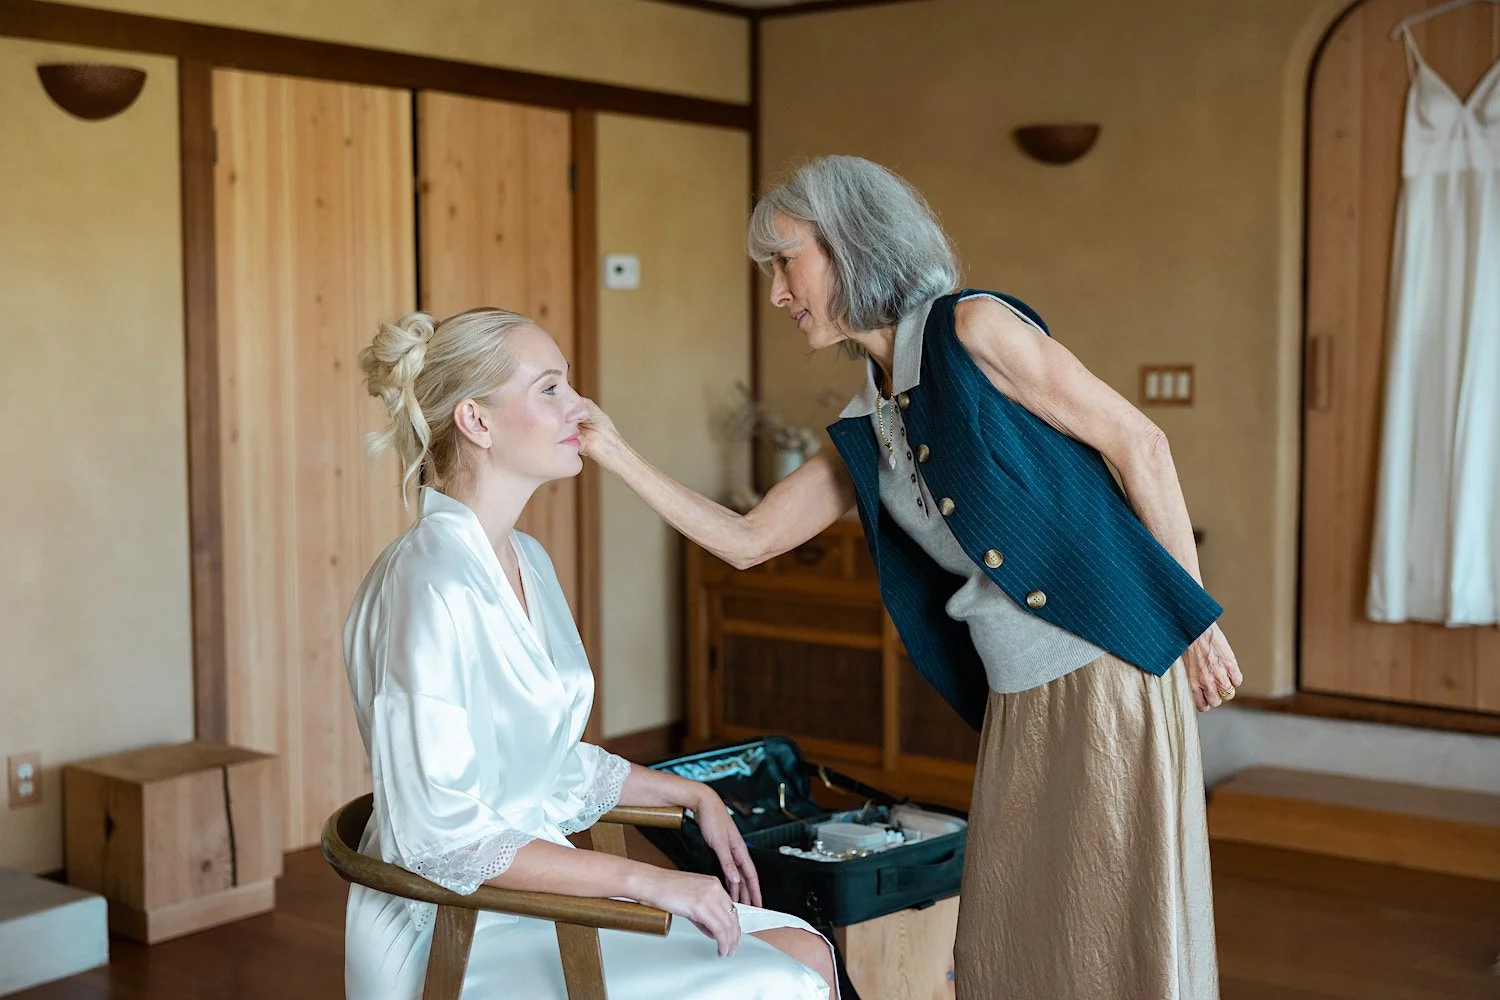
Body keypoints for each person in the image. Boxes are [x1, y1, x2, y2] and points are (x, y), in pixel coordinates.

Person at [580, 156, 1241, 999]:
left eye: (785, 262)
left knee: (1110, 927)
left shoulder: (975, 329)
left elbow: (1139, 444)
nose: (777, 293)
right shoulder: (870, 416)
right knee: (1010, 931)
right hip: (1018, 696)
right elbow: (749, 540)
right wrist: (612, 450)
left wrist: (1190, 621)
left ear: (852, 245)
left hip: (1105, 668)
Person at [342, 307, 836, 999]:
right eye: (550, 388)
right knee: (781, 979)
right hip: (453, 921)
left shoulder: (525, 559)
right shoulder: (427, 583)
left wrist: (692, 793)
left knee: (806, 948)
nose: (581, 407)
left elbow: (536, 762)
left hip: (528, 889)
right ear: (476, 421)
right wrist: (648, 880)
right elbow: (441, 839)